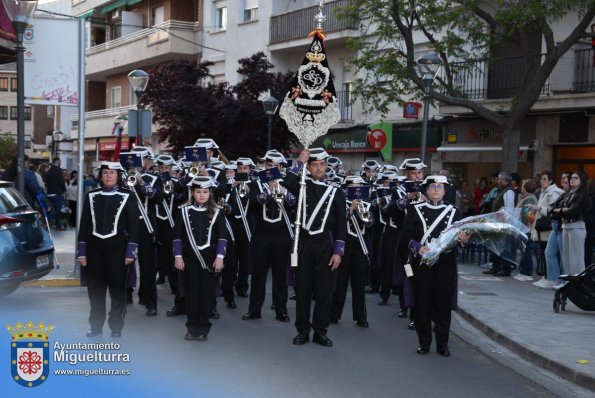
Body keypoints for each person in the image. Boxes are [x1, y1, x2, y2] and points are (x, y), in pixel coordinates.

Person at [283, 148, 347, 347]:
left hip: (325, 246)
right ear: (309, 167)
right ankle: (302, 330)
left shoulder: (335, 191)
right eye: (315, 164)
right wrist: (299, 162)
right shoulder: (302, 185)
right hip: (303, 244)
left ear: (326, 166)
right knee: (302, 290)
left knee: (323, 292)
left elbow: (340, 225)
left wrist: (338, 251)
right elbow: (286, 185)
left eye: (322, 164)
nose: (319, 168)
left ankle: (320, 331)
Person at [401, 175, 469, 357]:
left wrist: (464, 240)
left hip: (445, 264)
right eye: (433, 186)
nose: (436, 190)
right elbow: (405, 237)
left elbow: (460, 237)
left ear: (445, 191)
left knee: (442, 305)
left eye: (440, 187)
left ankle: (442, 344)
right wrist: (417, 247)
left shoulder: (453, 211)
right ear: (427, 190)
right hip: (422, 264)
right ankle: (424, 342)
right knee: (422, 304)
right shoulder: (415, 209)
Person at [76, 162, 139, 338]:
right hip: (94, 249)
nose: (109, 176)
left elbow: (135, 226)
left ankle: (116, 326)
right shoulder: (91, 195)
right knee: (95, 291)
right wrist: (81, 251)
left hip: (118, 250)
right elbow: (84, 225)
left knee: (118, 290)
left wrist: (131, 251)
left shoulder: (128, 196)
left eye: (112, 173)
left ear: (118, 175)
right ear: (101, 176)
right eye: (105, 173)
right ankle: (95, 326)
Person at [172, 176, 228, 341]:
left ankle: (203, 328)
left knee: (206, 295)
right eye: (198, 192)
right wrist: (177, 256)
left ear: (210, 193)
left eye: (205, 192)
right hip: (189, 258)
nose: (202, 195)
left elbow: (222, 237)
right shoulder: (183, 210)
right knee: (191, 294)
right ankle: (191, 328)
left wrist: (220, 257)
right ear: (193, 193)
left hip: (210, 259)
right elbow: (176, 236)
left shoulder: (217, 211)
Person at [242, 150, 295, 323]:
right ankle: (254, 310)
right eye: (267, 165)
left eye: (273, 165)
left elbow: (294, 203)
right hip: (261, 234)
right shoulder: (256, 183)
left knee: (280, 274)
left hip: (282, 235)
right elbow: (251, 204)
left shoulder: (288, 182)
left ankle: (281, 310)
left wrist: (282, 190)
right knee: (259, 273)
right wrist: (267, 192)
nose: (270, 168)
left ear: (281, 167)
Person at [331, 176, 372, 328]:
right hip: (344, 249)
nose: (357, 190)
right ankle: (334, 314)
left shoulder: (367, 204)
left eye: (359, 187)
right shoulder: (340, 204)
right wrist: (351, 209)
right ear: (347, 189)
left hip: (360, 249)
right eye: (354, 187)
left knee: (359, 284)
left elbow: (370, 223)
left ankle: (361, 317)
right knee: (339, 283)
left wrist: (361, 211)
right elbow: (336, 222)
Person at [535, 172, 571, 289]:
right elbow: (553, 209)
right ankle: (553, 278)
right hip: (556, 226)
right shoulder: (562, 194)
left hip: (561, 226)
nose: (563, 181)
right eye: (562, 178)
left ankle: (561, 281)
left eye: (566, 179)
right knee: (549, 252)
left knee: (563, 255)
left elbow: (559, 210)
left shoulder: (557, 192)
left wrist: (552, 211)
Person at [556, 171, 589, 277]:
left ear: (581, 181)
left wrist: (560, 211)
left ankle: (579, 284)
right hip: (565, 226)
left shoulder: (583, 194)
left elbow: (573, 211)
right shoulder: (568, 194)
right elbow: (554, 208)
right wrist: (562, 210)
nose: (572, 179)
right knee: (566, 258)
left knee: (576, 259)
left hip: (577, 226)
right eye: (572, 177)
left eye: (576, 178)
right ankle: (571, 284)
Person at [514, 179, 538, 281]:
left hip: (526, 228)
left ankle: (527, 272)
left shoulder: (529, 199)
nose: (521, 187)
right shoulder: (527, 198)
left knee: (525, 250)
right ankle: (523, 271)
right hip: (524, 227)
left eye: (523, 185)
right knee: (523, 250)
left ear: (526, 187)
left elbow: (529, 214)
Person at [45, 158, 67, 230]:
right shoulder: (58, 170)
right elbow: (61, 181)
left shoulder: (49, 171)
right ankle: (46, 220)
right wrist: (64, 189)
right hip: (56, 193)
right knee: (57, 209)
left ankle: (58, 226)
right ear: (58, 162)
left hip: (49, 193)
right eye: (60, 162)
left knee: (55, 209)